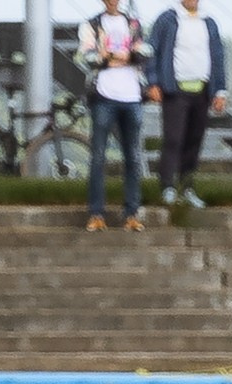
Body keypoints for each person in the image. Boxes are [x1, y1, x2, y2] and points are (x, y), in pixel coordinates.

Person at [146, 0, 227, 209]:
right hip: (175, 90)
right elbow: (152, 50)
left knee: (194, 139)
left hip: (202, 91)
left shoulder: (208, 22)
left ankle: (187, 186)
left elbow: (217, 55)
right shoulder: (168, 19)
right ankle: (167, 186)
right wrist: (153, 82)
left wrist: (220, 90)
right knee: (173, 139)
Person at [78, 0, 150, 231]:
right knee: (98, 156)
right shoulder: (91, 24)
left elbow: (144, 53)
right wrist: (122, 56)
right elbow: (88, 56)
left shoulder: (133, 23)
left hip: (132, 96)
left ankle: (132, 213)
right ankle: (96, 213)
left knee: (133, 157)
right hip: (103, 96)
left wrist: (109, 56)